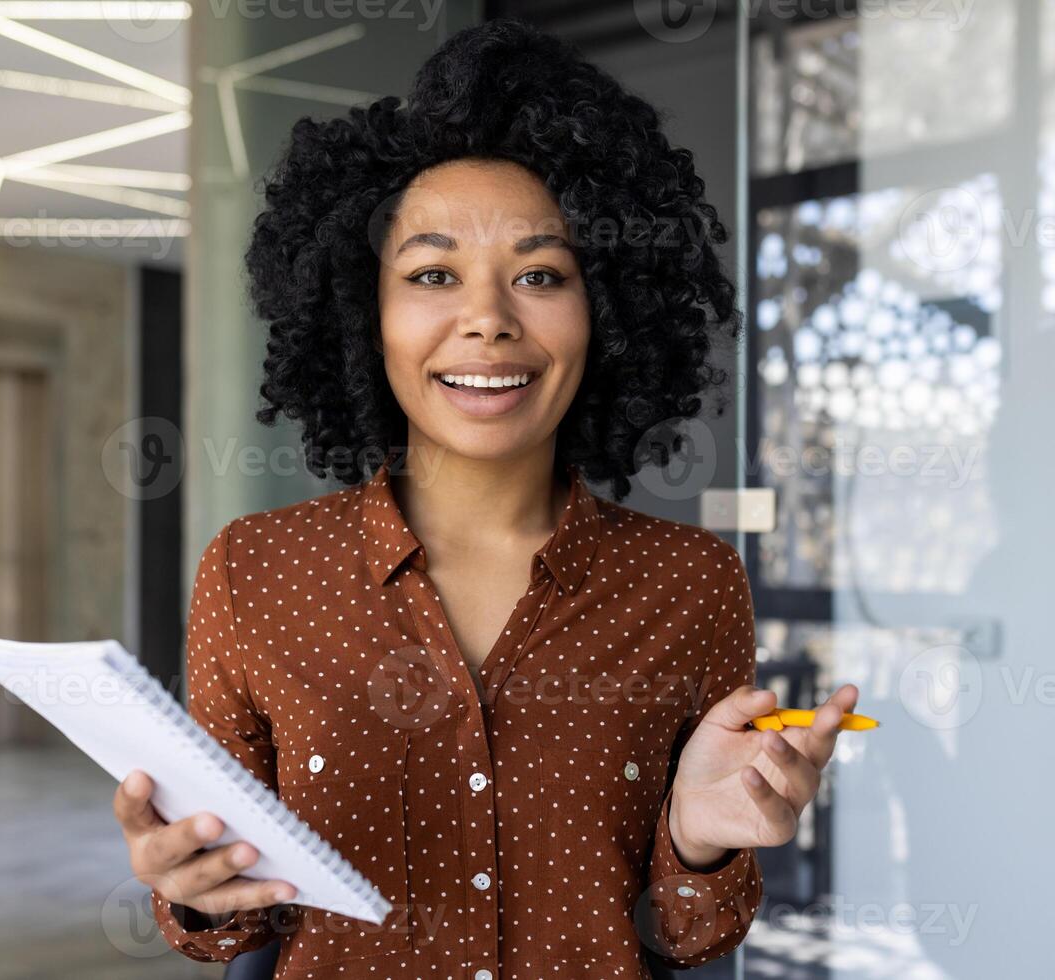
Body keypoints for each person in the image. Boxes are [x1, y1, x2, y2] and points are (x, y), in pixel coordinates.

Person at [113, 18, 857, 979]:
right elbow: (230, 929)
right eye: (432, 274)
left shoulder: (692, 584)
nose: (488, 319)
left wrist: (700, 841)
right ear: (363, 311)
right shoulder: (255, 570)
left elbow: (694, 934)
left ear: (610, 310)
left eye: (540, 275)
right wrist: (187, 884)